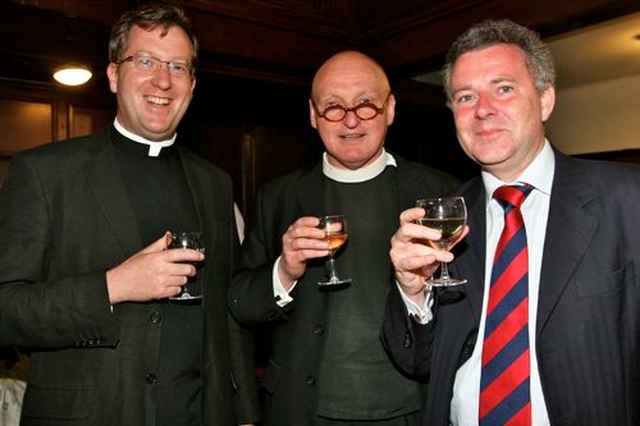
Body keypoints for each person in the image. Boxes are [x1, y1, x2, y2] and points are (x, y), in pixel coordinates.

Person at [0, 3, 260, 425]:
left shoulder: (215, 183)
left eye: (178, 67)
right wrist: (113, 286)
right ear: (113, 75)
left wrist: (245, 412)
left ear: (192, 85)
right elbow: (5, 310)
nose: (163, 80)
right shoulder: (45, 173)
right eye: (145, 61)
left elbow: (227, 313)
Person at [381, 19, 640, 426]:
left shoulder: (627, 198)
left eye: (503, 88)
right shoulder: (444, 217)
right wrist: (413, 292)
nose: (483, 109)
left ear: (546, 99)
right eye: (465, 96)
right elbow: (419, 361)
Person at [228, 50, 459, 425]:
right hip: (301, 411)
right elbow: (241, 305)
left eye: (366, 104)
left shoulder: (440, 192)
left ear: (390, 109)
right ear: (313, 115)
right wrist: (284, 271)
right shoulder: (279, 195)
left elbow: (465, 314)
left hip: (412, 410)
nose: (351, 120)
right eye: (333, 106)